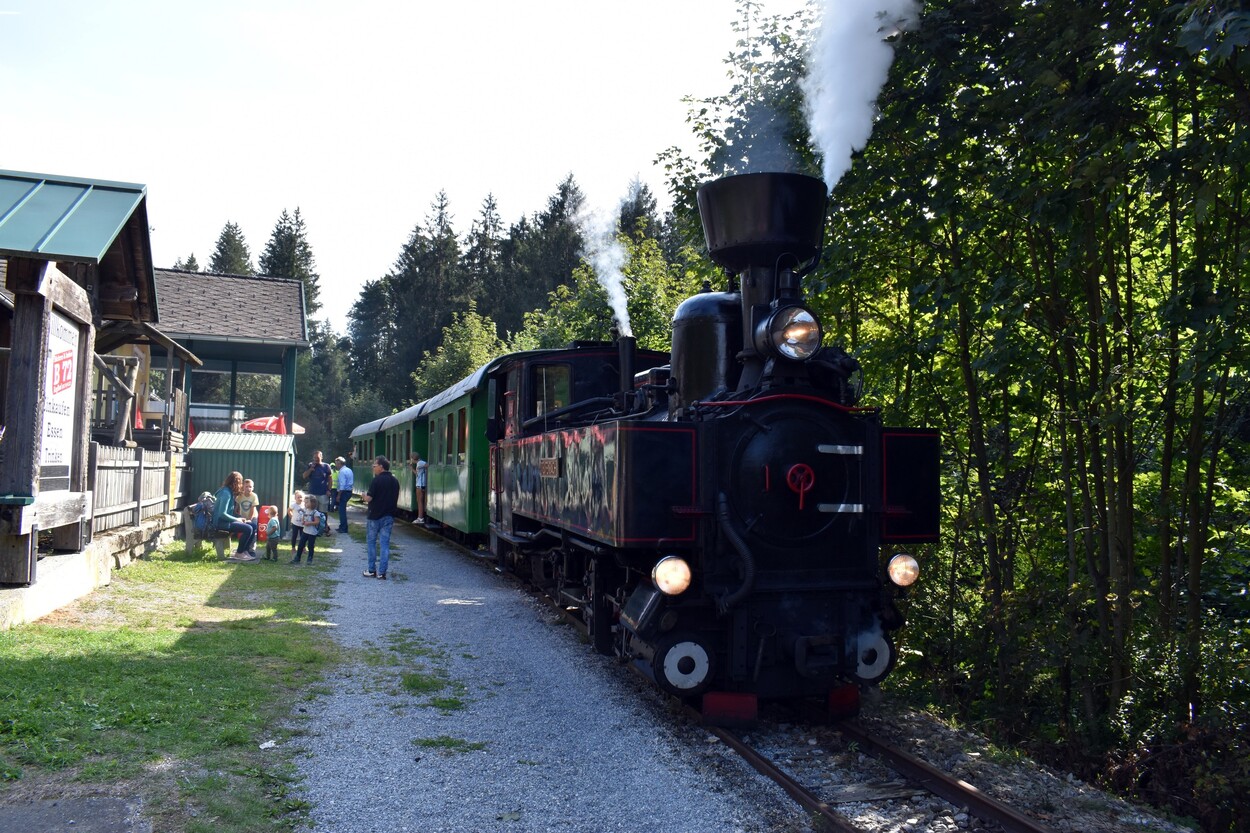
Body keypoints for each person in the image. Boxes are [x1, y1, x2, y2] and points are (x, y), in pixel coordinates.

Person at [363, 455, 399, 580]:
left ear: (381, 467)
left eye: (374, 466)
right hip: (388, 516)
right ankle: (382, 572)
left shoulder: (376, 480)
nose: (373, 468)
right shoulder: (395, 481)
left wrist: (363, 495)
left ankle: (372, 570)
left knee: (372, 543)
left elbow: (369, 498)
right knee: (385, 544)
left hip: (374, 516)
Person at [212, 471, 257, 563]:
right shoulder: (226, 494)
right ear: (236, 483)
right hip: (221, 523)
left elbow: (229, 511)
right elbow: (222, 514)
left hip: (226, 521)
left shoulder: (228, 491)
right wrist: (237, 519)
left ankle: (245, 551)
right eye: (240, 483)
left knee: (252, 525)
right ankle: (239, 553)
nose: (241, 486)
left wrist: (240, 518)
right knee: (248, 529)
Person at [291, 494, 324, 564]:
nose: (305, 504)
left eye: (307, 502)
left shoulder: (315, 513)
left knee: (310, 546)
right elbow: (303, 517)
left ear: (312, 503)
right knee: (300, 545)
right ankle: (297, 558)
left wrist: (309, 523)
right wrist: (303, 521)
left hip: (312, 532)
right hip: (305, 531)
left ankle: (310, 558)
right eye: (305, 502)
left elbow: (317, 522)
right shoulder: (305, 511)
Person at [302, 451, 332, 517]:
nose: (315, 459)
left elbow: (330, 479)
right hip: (312, 492)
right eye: (314, 457)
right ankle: (313, 525)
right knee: (311, 511)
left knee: (323, 512)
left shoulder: (326, 466)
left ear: (321, 457)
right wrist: (310, 469)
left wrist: (329, 490)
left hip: (323, 493)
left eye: (317, 457)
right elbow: (304, 476)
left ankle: (323, 526)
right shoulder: (310, 465)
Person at [334, 456, 354, 533]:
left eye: (336, 464)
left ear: (340, 463)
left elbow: (342, 485)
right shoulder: (349, 470)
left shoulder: (342, 472)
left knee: (341, 511)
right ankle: (343, 527)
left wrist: (338, 495)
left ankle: (343, 528)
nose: (336, 465)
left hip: (343, 492)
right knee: (342, 510)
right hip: (349, 491)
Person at [409, 452, 428, 524]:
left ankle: (420, 518)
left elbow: (427, 465)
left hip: (420, 484)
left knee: (419, 501)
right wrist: (412, 468)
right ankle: (420, 517)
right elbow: (417, 474)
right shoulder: (419, 464)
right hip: (420, 484)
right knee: (420, 501)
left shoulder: (420, 463)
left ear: (413, 458)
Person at [288, 489, 305, 555]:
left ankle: (303, 547)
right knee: (294, 535)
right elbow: (289, 510)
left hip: (302, 524)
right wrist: (292, 516)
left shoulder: (304, 505)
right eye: (298, 497)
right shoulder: (293, 505)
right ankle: (293, 547)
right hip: (295, 523)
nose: (300, 498)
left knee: (302, 536)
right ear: (295, 498)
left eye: (301, 497)